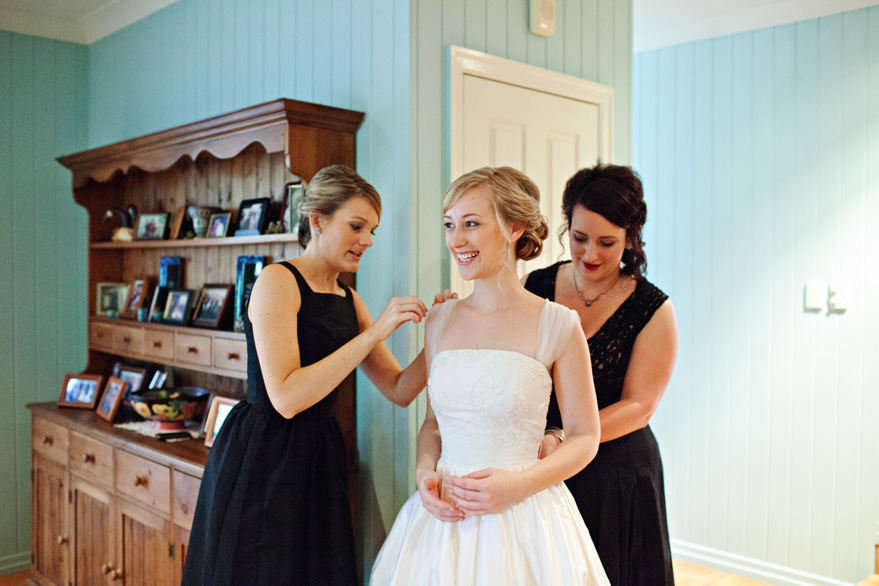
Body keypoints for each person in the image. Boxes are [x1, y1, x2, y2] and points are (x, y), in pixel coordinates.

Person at [182, 165, 433, 586]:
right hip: (264, 454)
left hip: (319, 457)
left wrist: (442, 338)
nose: (367, 241)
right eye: (356, 226)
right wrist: (372, 333)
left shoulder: (349, 299)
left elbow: (399, 388)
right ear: (317, 220)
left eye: (372, 229)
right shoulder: (278, 281)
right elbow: (286, 396)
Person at [370, 167, 610, 585]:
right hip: (442, 521)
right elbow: (433, 425)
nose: (455, 240)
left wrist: (520, 485)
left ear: (514, 227)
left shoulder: (558, 324)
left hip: (525, 520)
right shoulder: (440, 319)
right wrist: (424, 473)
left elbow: (585, 437)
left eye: (471, 224)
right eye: (449, 225)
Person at [523, 163, 678, 586]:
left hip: (617, 472)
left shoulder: (653, 309)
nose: (590, 254)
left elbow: (639, 406)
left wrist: (565, 438)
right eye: (579, 238)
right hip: (541, 462)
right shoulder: (535, 286)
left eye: (606, 242)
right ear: (565, 228)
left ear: (631, 237)